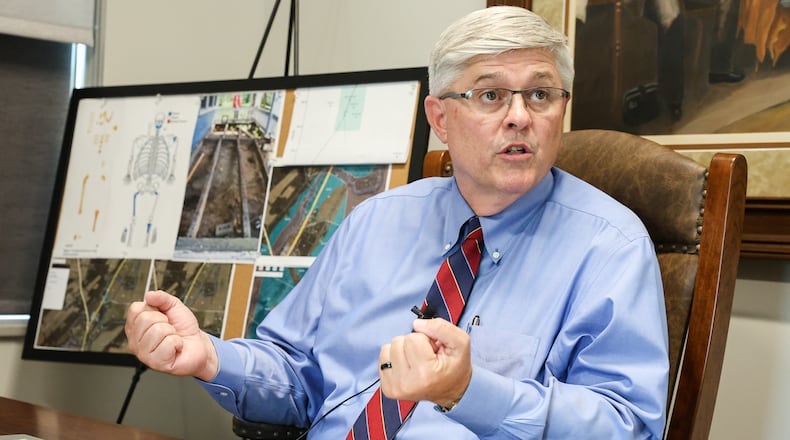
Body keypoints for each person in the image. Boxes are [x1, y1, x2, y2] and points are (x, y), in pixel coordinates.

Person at [125, 6, 669, 439]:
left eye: (541, 94)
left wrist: (468, 391)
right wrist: (210, 356)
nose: (520, 115)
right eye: (490, 95)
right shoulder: (377, 219)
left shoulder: (611, 247)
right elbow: (299, 376)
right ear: (440, 119)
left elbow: (630, 427)